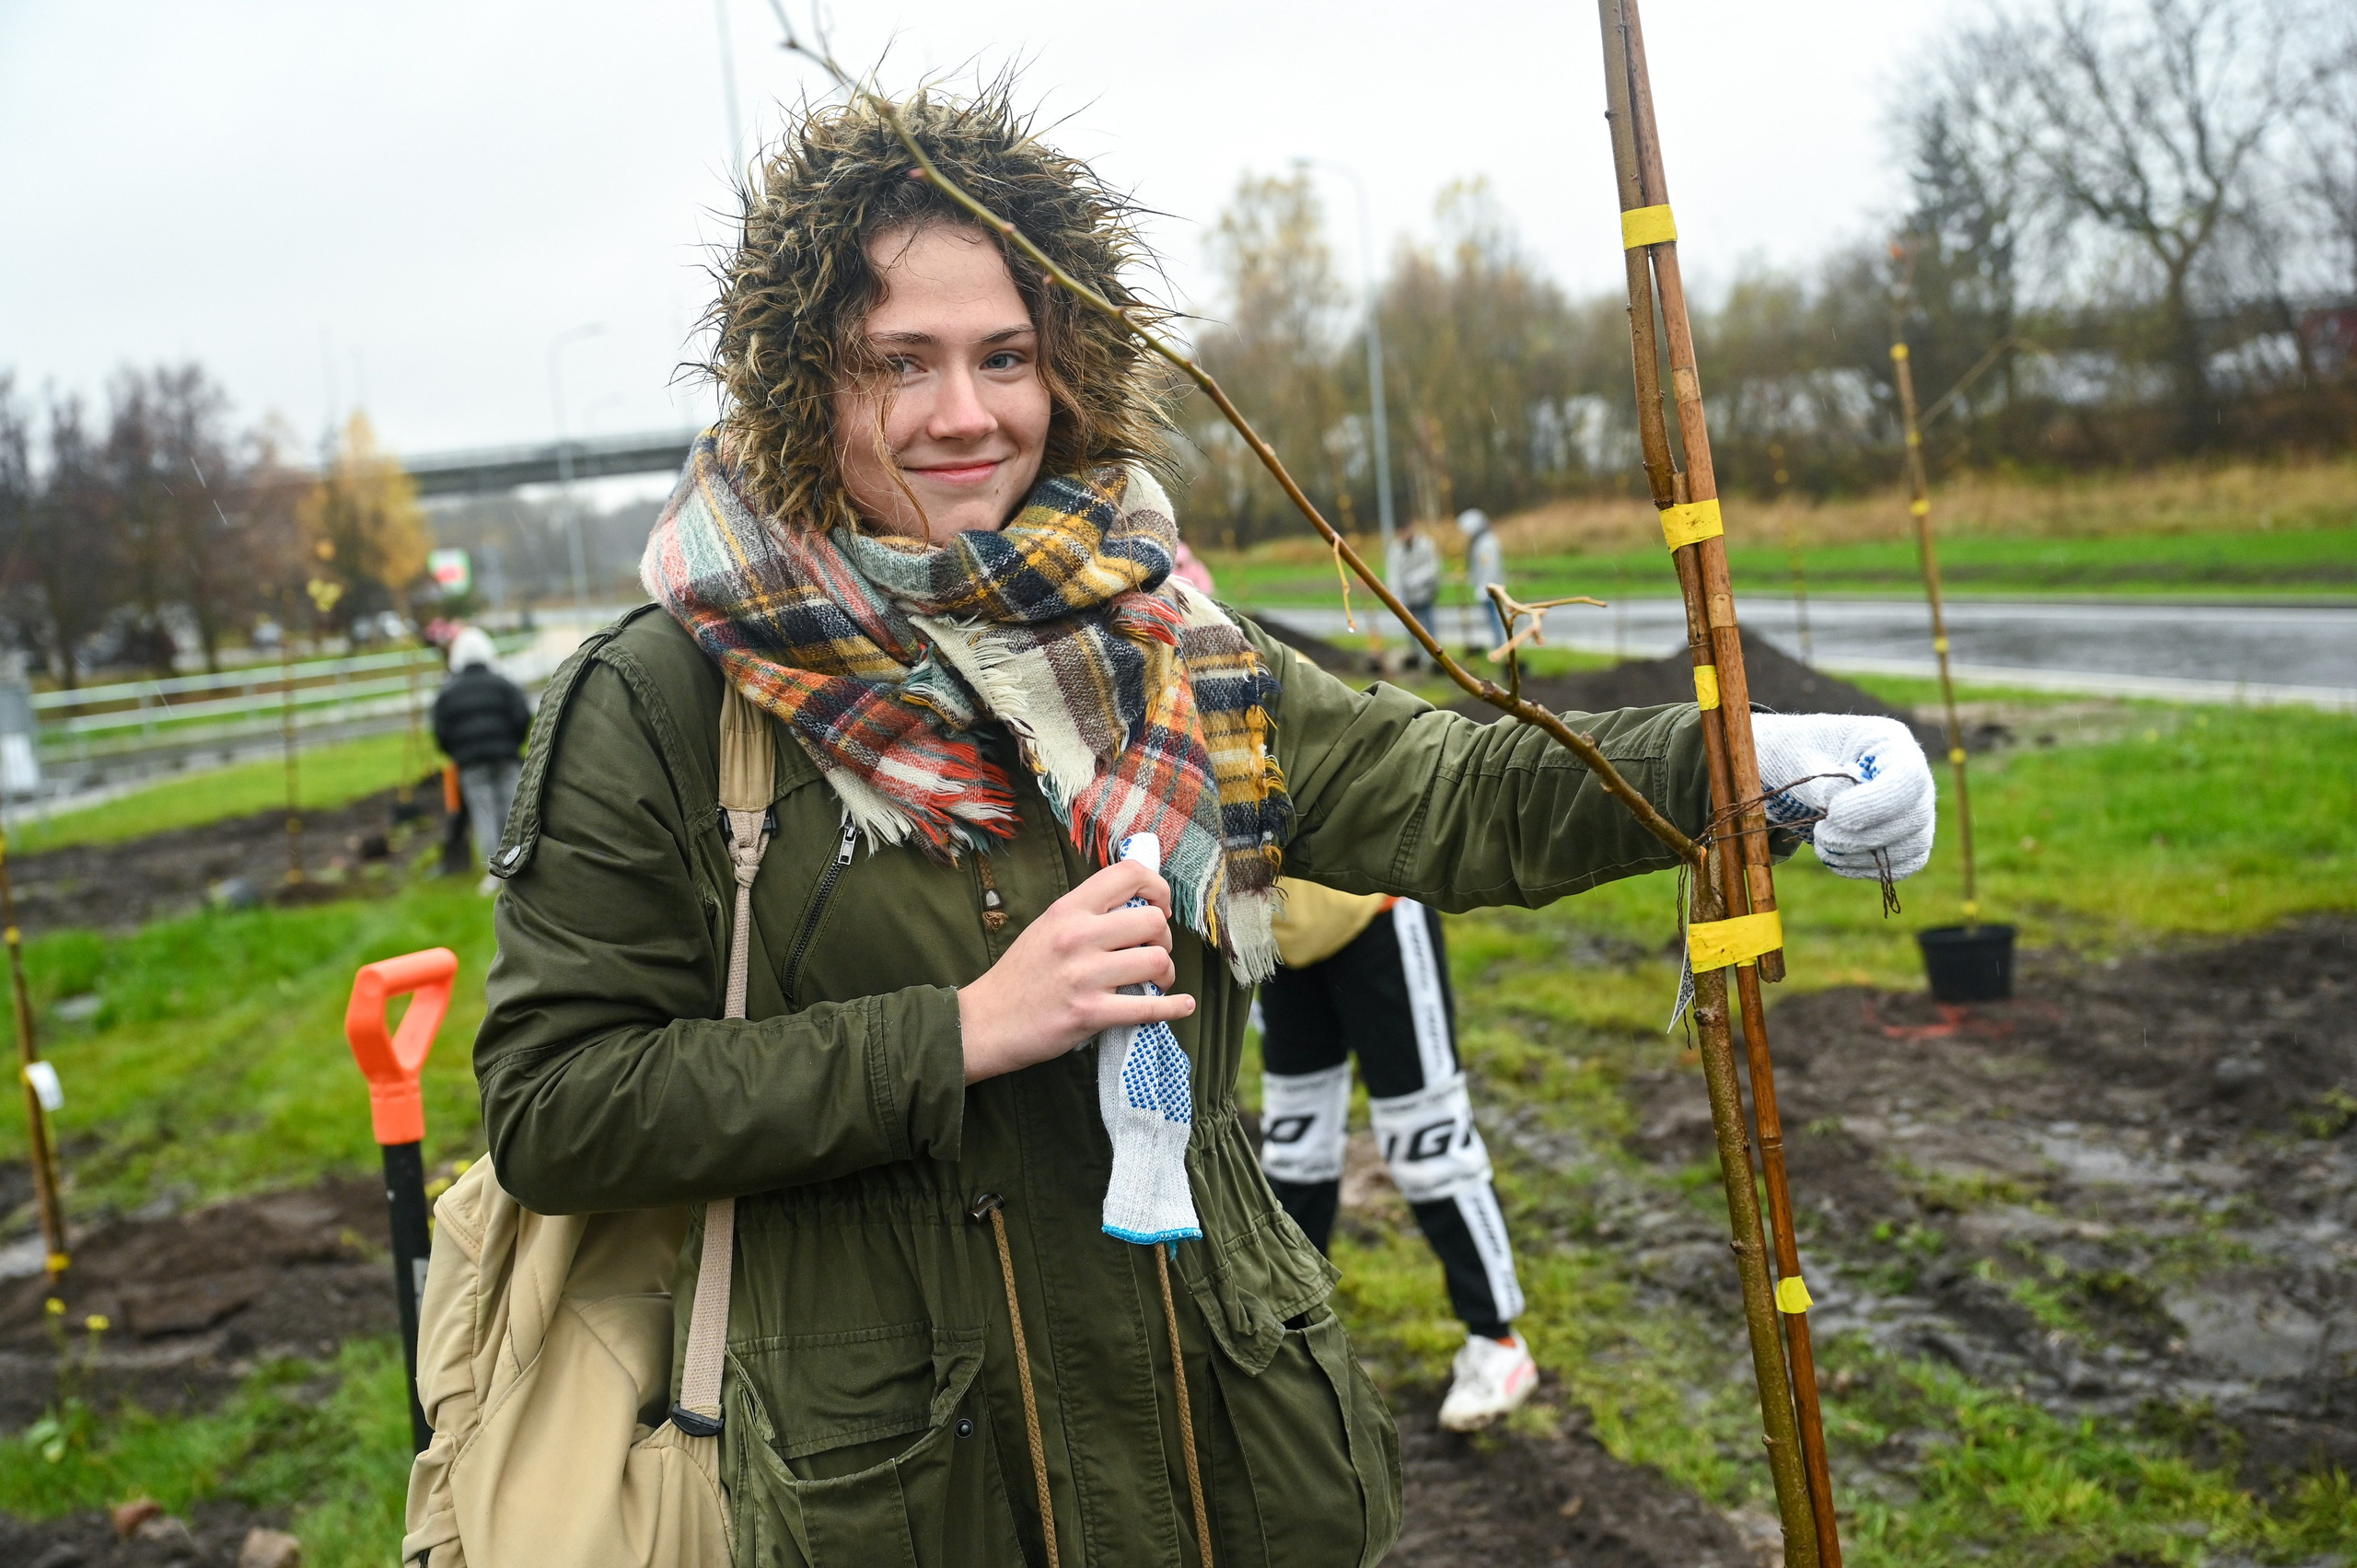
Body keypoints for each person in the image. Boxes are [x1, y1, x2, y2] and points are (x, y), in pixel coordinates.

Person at [472, 88, 1936, 1567]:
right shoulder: (668, 696)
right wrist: (962, 1030)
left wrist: (1743, 763)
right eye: (894, 364)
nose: (963, 413)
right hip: (913, 1491)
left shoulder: (1159, 630)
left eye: (1006, 357)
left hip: (1225, 1445)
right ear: (804, 384)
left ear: (1071, 369)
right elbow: (557, 1103)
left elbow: (1445, 786)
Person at [1259, 880, 1534, 1431]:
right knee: (1294, 1150)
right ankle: (1289, 1342)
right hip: (1275, 946)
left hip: (1376, 916)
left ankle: (1497, 1341)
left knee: (1429, 1137)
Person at [429, 626, 530, 893]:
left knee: (484, 815)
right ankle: (520, 865)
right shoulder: (504, 684)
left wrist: (458, 753)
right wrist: (511, 744)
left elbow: (440, 730)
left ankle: (495, 873)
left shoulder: (448, 691)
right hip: (506, 758)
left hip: (471, 764)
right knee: (511, 811)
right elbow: (522, 716)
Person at [1385, 517, 1440, 668]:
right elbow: (1393, 574)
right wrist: (1396, 596)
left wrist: (1417, 579)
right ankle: (1415, 654)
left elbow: (1433, 567)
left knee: (1428, 625)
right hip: (1408, 597)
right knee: (1411, 627)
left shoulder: (1426, 545)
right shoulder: (1395, 549)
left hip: (1424, 593)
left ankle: (1433, 656)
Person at [1459, 505, 1506, 652]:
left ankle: (1500, 646)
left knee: (1496, 619)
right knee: (1492, 619)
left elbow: (1489, 568)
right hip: (1486, 588)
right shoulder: (1481, 542)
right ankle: (1498, 645)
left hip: (1490, 590)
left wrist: (1486, 588)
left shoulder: (1487, 543)